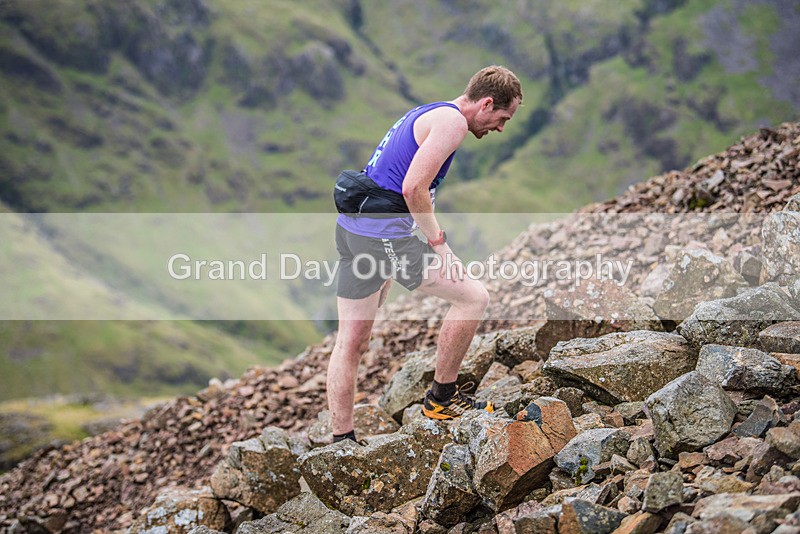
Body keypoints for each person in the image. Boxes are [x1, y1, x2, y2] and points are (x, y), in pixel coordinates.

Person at [328, 65, 523, 443]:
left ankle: (341, 441)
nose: (500, 128)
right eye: (502, 118)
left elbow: (393, 179)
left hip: (353, 231)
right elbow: (412, 187)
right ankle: (441, 399)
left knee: (350, 343)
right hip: (382, 238)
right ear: (486, 104)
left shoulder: (430, 111)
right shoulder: (453, 123)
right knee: (473, 298)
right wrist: (439, 244)